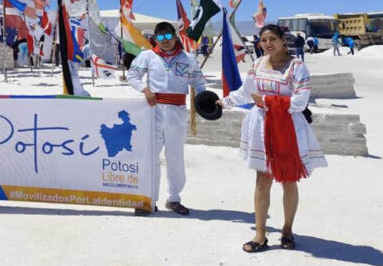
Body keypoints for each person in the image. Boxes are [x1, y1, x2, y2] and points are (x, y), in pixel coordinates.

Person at [218, 25, 327, 252]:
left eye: (273, 39)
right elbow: (246, 92)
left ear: (283, 41)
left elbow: (300, 102)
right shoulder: (257, 64)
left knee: (288, 179)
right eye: (264, 40)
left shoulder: (298, 67)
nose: (268, 44)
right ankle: (260, 234)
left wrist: (266, 101)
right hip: (261, 126)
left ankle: (287, 230)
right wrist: (225, 102)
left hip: (287, 127)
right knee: (262, 179)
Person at [127, 22, 207, 216]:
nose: (165, 41)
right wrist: (144, 89)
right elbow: (132, 75)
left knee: (175, 157)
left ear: (175, 35)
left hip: (177, 112)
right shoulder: (148, 56)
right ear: (155, 39)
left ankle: (174, 198)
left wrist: (204, 100)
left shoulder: (187, 58)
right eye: (160, 37)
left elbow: (198, 81)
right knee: (151, 156)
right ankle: (149, 199)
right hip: (153, 111)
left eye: (168, 36)